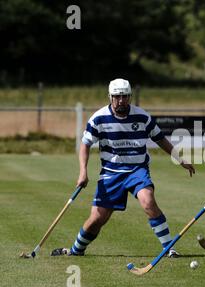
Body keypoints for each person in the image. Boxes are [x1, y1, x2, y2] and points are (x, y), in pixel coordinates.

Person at [51, 78, 195, 257]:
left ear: (130, 97)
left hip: (137, 170)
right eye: (117, 97)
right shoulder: (99, 118)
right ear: (110, 97)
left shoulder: (142, 116)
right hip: (111, 173)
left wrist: (180, 159)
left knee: (148, 201)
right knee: (97, 219)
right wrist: (83, 172)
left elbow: (160, 139)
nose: (121, 101)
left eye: (125, 96)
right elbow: (85, 145)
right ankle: (75, 250)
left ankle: (169, 248)